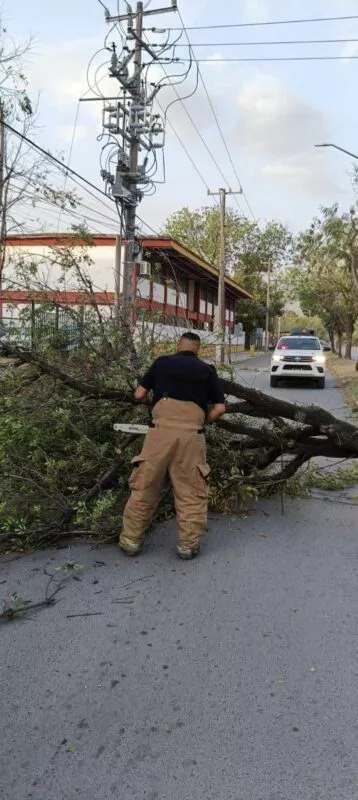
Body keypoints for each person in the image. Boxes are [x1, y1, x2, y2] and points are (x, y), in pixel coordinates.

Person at [119, 332, 227, 560]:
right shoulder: (207, 370)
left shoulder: (162, 363)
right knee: (190, 492)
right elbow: (219, 408)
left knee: (145, 486)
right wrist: (200, 422)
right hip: (191, 437)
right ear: (198, 350)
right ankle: (187, 546)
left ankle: (131, 540)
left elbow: (139, 394)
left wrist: (153, 404)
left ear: (178, 346)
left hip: (159, 435)